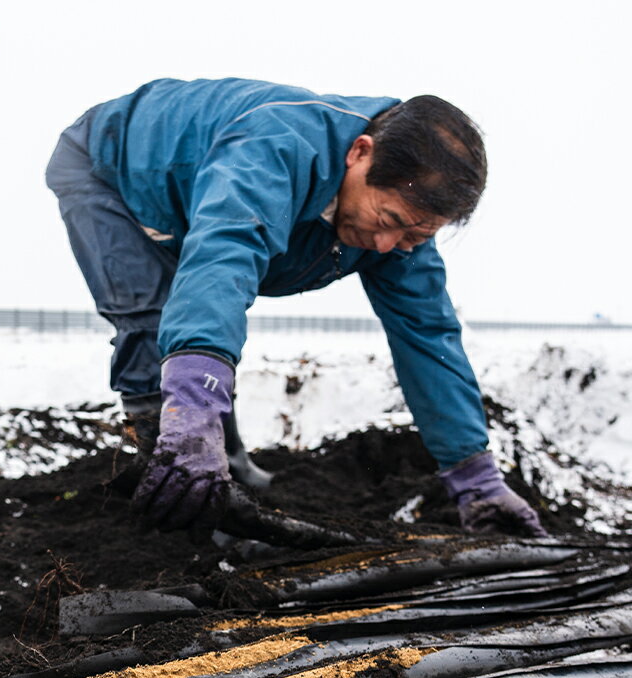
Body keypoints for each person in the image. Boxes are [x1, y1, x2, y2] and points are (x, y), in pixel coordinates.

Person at [45, 78, 547, 538]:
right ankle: (166, 477)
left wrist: (475, 478)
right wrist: (192, 408)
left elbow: (428, 335)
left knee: (196, 323)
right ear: (360, 153)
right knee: (149, 320)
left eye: (415, 234)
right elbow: (224, 259)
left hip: (197, 201)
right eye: (389, 219)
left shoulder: (399, 234)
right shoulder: (275, 150)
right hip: (112, 172)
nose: (386, 244)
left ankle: (227, 461)